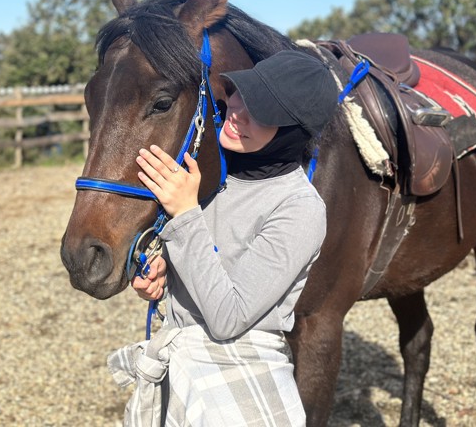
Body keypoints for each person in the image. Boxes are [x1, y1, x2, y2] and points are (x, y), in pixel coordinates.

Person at [107, 49, 339, 426]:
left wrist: (184, 215)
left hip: (239, 382)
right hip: (181, 364)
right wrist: (165, 275)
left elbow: (227, 319)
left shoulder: (299, 209)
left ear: (292, 133)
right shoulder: (214, 177)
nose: (238, 112)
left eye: (262, 112)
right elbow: (212, 265)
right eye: (241, 93)